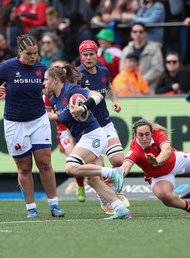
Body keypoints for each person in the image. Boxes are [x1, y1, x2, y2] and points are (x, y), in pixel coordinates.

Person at [0, 34, 65, 219]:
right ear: (20, 52)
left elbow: (49, 91)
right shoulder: (7, 67)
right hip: (15, 123)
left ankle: (54, 205)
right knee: (24, 168)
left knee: (45, 163)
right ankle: (31, 208)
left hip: (39, 120)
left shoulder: (41, 68)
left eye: (36, 53)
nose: (33, 57)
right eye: (29, 53)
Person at [43, 65, 132, 220]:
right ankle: (121, 209)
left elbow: (98, 96)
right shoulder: (54, 100)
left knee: (71, 167)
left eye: (45, 79)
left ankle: (113, 173)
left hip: (94, 135)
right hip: (85, 138)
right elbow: (66, 123)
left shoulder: (71, 90)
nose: (43, 83)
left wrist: (83, 107)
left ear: (56, 80)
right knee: (92, 180)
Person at [121, 118, 190, 214]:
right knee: (165, 197)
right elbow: (125, 166)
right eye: (140, 135)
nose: (144, 138)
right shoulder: (135, 149)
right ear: (135, 135)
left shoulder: (157, 134)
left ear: (151, 132)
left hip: (176, 161)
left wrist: (156, 161)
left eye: (147, 134)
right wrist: (118, 177)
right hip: (158, 176)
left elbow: (167, 150)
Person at [77, 40, 130, 214]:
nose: (89, 57)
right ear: (81, 56)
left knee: (118, 161)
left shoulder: (103, 71)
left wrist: (114, 100)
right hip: (90, 129)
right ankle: (105, 200)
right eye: (85, 54)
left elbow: (108, 87)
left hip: (105, 123)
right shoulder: (77, 75)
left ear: (97, 55)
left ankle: (114, 191)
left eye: (91, 53)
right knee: (97, 169)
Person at [43, 59, 86, 202]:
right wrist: (62, 115)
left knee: (90, 159)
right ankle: (80, 184)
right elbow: (47, 114)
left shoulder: (73, 89)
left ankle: (104, 186)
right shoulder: (49, 94)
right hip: (63, 130)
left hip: (80, 128)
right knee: (75, 158)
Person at [120, 22, 164, 92]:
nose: (138, 34)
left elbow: (157, 69)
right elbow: (122, 69)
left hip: (149, 89)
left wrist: (140, 82)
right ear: (131, 34)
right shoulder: (126, 50)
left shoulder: (155, 49)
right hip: (130, 90)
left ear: (145, 33)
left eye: (141, 32)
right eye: (135, 32)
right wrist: (133, 82)